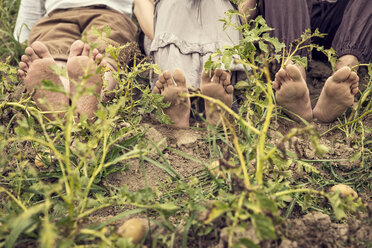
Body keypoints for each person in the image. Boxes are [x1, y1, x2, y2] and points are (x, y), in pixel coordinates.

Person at [241, 0, 371, 123]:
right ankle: (294, 74)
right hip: (291, 16)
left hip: (342, 22)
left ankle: (344, 73)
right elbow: (244, 11)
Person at [14, 1, 137, 120]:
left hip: (108, 12)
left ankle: (70, 93)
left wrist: (23, 37)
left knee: (58, 52)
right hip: (58, 14)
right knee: (105, 53)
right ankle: (84, 95)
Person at [134, 0, 244, 128]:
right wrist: (163, 37)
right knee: (172, 5)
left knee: (220, 7)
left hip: (217, 20)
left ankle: (181, 93)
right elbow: (142, 4)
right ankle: (212, 90)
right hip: (167, 22)